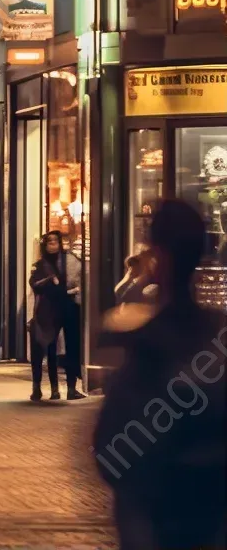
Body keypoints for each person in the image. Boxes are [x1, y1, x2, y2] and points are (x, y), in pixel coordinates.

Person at [94, 199, 227, 550]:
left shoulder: (149, 344)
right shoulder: (216, 336)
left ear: (159, 258)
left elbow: (111, 452)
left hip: (157, 521)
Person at [28, 230, 84, 401]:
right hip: (48, 309)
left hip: (68, 306)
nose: (52, 244)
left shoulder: (70, 259)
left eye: (55, 241)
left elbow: (79, 278)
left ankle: (71, 388)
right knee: (48, 348)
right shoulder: (40, 265)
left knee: (72, 347)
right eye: (49, 241)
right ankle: (49, 389)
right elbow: (34, 285)